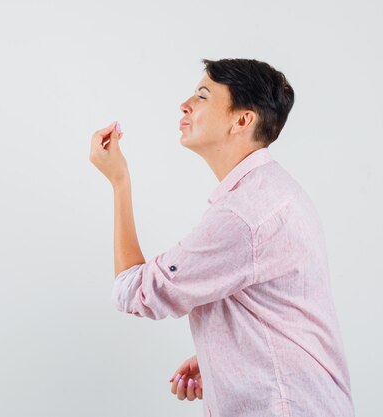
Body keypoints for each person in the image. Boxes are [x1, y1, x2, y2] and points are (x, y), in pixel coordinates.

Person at [89, 58, 355, 417]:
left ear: (242, 120)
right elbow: (279, 305)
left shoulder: (243, 215)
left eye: (202, 96)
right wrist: (225, 355)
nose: (185, 104)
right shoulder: (274, 193)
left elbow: (136, 291)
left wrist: (120, 182)